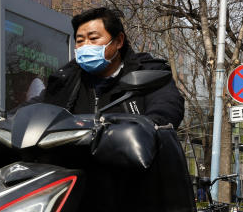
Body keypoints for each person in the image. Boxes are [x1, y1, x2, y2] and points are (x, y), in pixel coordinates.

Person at [28, 7, 184, 127]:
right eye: (80, 40)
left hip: (130, 164)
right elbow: (34, 108)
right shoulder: (65, 80)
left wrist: (146, 128)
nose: (85, 46)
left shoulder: (148, 74)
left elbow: (166, 109)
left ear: (118, 41)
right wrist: (6, 122)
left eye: (93, 38)